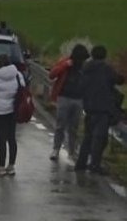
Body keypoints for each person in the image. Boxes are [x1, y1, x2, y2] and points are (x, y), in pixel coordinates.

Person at [75, 45, 125, 174]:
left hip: (89, 107)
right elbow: (118, 80)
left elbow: (80, 87)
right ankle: (95, 165)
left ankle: (81, 163)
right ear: (104, 55)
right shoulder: (105, 68)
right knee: (100, 137)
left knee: (88, 136)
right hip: (103, 108)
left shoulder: (86, 68)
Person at [48, 44, 89, 161]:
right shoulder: (65, 62)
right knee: (60, 125)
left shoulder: (85, 67)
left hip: (79, 99)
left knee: (74, 127)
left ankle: (72, 151)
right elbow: (52, 74)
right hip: (64, 98)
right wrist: (65, 65)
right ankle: (56, 149)